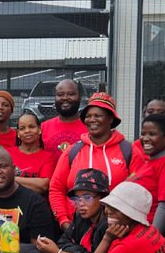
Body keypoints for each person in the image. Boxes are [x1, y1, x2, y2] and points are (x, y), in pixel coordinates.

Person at [48, 92, 141, 232]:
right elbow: (56, 188)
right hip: (75, 229)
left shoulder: (129, 151)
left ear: (110, 119)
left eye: (97, 116)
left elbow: (140, 191)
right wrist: (63, 222)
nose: (92, 120)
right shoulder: (73, 151)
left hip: (117, 231)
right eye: (88, 116)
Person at [128, 113, 165, 232]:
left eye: (152, 134)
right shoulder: (146, 162)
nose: (145, 138)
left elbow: (164, 204)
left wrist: (152, 238)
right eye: (143, 134)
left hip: (146, 230)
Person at [11, 111, 59, 195]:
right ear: (18, 133)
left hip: (36, 206)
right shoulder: (7, 154)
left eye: (31, 127)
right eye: (22, 128)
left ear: (39, 129)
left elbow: (43, 186)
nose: (27, 131)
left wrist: (10, 179)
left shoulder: (48, 157)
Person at [40, 79, 87, 152]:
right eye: (60, 94)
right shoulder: (43, 129)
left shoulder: (89, 128)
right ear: (55, 98)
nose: (65, 98)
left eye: (71, 94)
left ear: (79, 97)